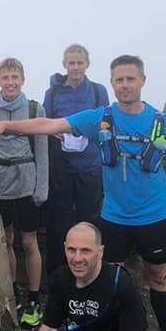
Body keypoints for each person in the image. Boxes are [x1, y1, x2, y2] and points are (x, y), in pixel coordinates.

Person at [0, 54, 166, 331]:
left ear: (142, 81)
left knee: (159, 277)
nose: (124, 85)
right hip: (114, 218)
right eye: (119, 80)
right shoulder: (100, 118)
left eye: (130, 79)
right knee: (110, 281)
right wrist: (8, 124)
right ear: (112, 83)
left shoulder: (160, 122)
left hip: (155, 216)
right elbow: (51, 125)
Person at [0, 58, 48, 329]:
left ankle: (33, 300)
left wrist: (42, 188)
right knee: (5, 240)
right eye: (5, 78)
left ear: (23, 79)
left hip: (27, 183)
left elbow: (41, 148)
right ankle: (12, 294)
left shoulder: (34, 108)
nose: (10, 82)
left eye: (14, 77)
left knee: (30, 241)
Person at [43, 44, 109, 273]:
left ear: (87, 65)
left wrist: (89, 133)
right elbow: (45, 124)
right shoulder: (52, 94)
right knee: (58, 223)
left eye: (80, 63)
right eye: (71, 63)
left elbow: (105, 124)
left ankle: (92, 273)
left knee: (90, 221)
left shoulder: (99, 92)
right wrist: (55, 132)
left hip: (90, 166)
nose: (76, 67)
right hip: (61, 167)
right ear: (64, 65)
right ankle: (59, 275)